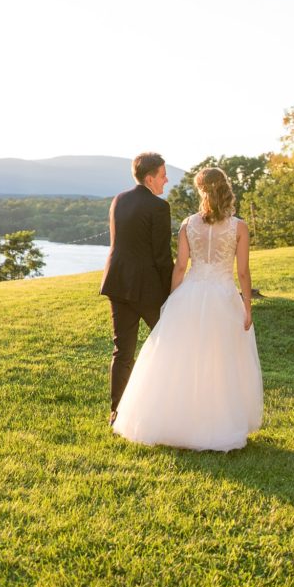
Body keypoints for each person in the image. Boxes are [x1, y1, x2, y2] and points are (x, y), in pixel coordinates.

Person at [112, 166, 263, 451]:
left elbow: (181, 267)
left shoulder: (188, 224)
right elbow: (243, 273)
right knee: (221, 360)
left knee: (185, 359)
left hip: (191, 293)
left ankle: (176, 421)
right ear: (225, 188)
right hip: (222, 295)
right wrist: (247, 307)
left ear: (202, 191)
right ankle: (217, 422)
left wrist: (172, 302)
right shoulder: (238, 227)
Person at [100, 152, 174, 425]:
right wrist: (173, 290)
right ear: (150, 177)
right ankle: (166, 407)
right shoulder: (159, 207)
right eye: (163, 174)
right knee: (170, 346)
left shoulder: (119, 199)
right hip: (147, 289)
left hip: (118, 283)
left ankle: (116, 413)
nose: (167, 179)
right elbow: (162, 257)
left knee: (122, 352)